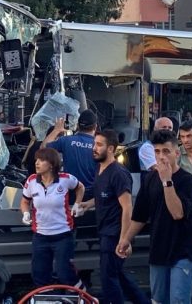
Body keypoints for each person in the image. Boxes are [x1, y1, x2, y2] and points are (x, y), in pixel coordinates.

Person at [119, 130, 192, 304]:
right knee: (158, 300)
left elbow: (177, 213)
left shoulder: (188, 181)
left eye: (166, 151)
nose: (161, 156)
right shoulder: (149, 179)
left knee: (178, 299)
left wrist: (167, 181)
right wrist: (126, 239)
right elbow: (140, 215)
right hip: (158, 249)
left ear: (176, 154)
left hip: (183, 250)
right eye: (157, 152)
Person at [78, 130, 149, 304]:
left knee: (109, 278)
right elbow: (106, 195)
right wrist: (88, 204)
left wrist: (124, 239)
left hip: (115, 234)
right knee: (118, 274)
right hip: (104, 231)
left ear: (110, 149)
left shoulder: (118, 173)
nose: (94, 148)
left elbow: (127, 207)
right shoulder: (100, 168)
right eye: (94, 144)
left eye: (99, 145)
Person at [20, 148, 85, 289]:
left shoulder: (65, 179)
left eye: (41, 160)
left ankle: (83, 295)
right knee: (39, 275)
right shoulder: (31, 181)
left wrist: (77, 204)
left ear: (51, 164)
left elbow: (81, 187)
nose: (37, 163)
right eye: (36, 160)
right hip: (40, 236)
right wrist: (25, 213)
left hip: (63, 235)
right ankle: (47, 298)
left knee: (65, 274)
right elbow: (25, 201)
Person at [42, 109, 98, 201]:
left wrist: (56, 130)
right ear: (95, 127)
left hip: (70, 193)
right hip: (91, 195)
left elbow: (43, 148)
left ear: (78, 126)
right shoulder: (99, 145)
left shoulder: (66, 140)